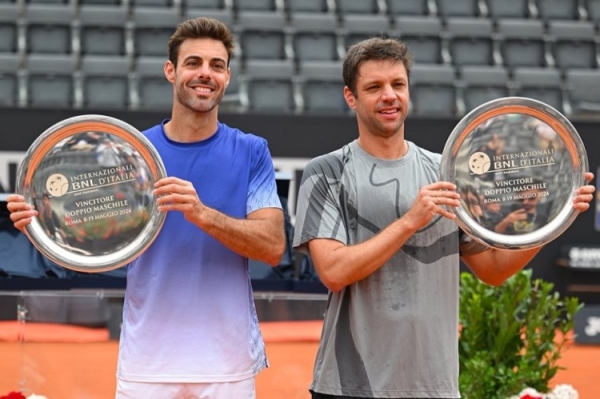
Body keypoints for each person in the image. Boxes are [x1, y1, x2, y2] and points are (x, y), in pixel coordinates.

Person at [292, 36, 595, 399]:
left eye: (398, 84)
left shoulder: (446, 171)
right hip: (350, 385)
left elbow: (494, 270)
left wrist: (556, 217)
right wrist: (409, 221)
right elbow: (334, 272)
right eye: (374, 87)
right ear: (350, 97)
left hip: (434, 385)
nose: (389, 95)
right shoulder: (325, 172)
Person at [7, 17, 286, 399]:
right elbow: (92, 240)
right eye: (193, 63)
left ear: (227, 77)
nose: (205, 74)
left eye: (216, 66)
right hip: (147, 364)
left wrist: (202, 214)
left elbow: (271, 247)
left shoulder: (253, 151)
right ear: (171, 71)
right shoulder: (131, 153)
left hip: (227, 364)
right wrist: (42, 226)